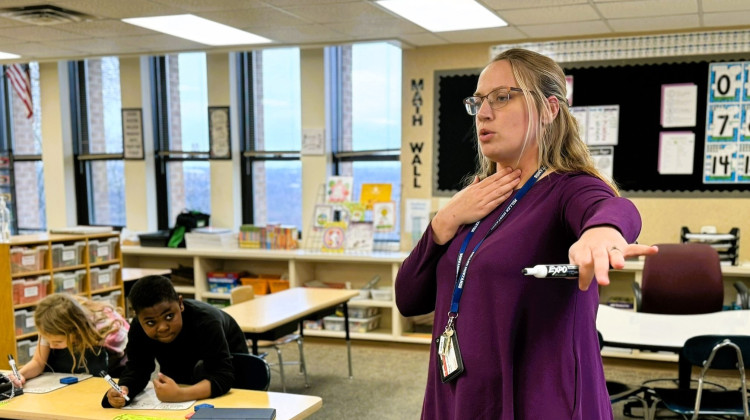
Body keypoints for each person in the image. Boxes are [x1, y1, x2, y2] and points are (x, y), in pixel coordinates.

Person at [395, 48, 659, 419]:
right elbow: (408, 299)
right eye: (478, 101)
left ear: (550, 109)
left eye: (502, 97)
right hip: (459, 395)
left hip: (535, 402)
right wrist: (444, 221)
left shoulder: (567, 188)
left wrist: (602, 232)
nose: (483, 113)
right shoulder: (477, 198)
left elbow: (612, 208)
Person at [102, 275, 248, 408]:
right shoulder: (138, 327)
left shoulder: (206, 321)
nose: (163, 327)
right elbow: (138, 368)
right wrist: (124, 389)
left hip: (234, 378)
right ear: (138, 317)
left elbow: (224, 376)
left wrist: (180, 395)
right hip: (183, 375)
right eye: (151, 323)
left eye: (169, 316)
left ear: (180, 303)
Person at [9, 293, 129, 387]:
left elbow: (127, 366)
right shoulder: (49, 326)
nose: (51, 346)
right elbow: (38, 363)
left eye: (57, 342)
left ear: (76, 331)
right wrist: (19, 374)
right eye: (47, 340)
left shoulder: (109, 334)